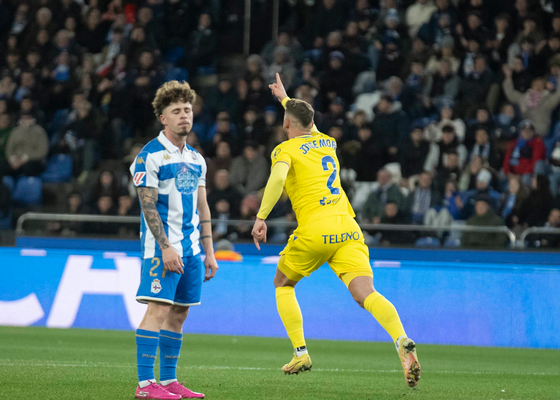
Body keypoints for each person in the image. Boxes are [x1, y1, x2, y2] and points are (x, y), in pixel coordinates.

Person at [251, 73, 420, 387]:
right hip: (348, 228)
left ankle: (301, 352)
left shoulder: (284, 150)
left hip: (315, 229)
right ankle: (401, 338)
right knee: (366, 293)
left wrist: (261, 217)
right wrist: (286, 99)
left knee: (283, 284)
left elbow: (277, 179)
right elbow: (305, 120)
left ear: (286, 124)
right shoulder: (328, 142)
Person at [129, 81, 218, 400]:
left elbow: (203, 206)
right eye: (176, 111)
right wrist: (166, 247)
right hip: (161, 250)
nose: (184, 115)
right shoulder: (149, 157)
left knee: (179, 313)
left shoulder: (196, 159)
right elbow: (148, 206)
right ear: (163, 118)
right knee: (158, 310)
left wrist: (209, 251)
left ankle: (168, 380)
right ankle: (144, 385)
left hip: (192, 250)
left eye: (188, 110)